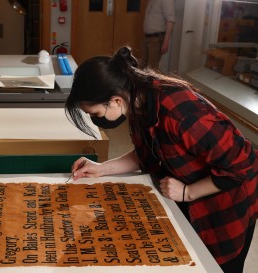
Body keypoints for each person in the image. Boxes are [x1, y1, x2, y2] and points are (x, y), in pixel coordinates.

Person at [65, 46, 258, 273]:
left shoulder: (182, 113)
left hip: (223, 208)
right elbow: (147, 153)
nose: (96, 120)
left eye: (95, 114)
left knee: (216, 267)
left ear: (115, 100)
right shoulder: (138, 100)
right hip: (184, 197)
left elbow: (244, 163)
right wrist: (102, 168)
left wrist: (188, 192)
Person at [141, 0, 175, 68]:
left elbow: (170, 20)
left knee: (151, 69)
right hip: (146, 37)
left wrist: (166, 42)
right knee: (142, 66)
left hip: (156, 40)